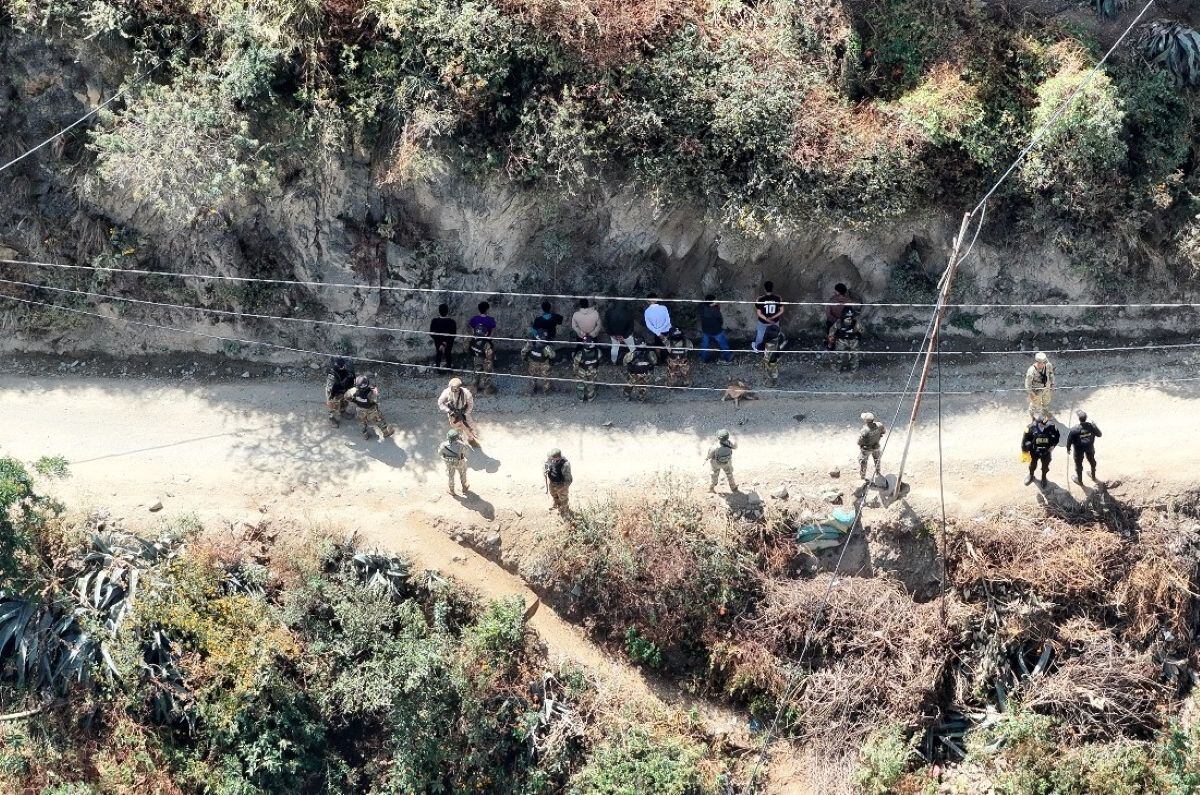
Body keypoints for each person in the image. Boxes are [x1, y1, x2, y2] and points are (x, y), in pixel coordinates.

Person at [346, 375, 394, 441]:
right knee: (379, 420)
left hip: (360, 410)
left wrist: (354, 401)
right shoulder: (371, 393)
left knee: (362, 422)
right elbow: (376, 400)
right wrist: (375, 390)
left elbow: (346, 396)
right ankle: (386, 433)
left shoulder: (353, 391)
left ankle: (364, 434)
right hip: (372, 410)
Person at [1022, 413, 1060, 486]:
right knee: (1032, 465)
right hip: (1034, 452)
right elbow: (1024, 440)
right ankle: (1031, 475)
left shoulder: (1051, 427)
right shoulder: (1030, 427)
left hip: (1046, 452)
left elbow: (1057, 437)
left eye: (1046, 424)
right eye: (1042, 425)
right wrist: (1024, 451)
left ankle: (1044, 478)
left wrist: (1053, 446)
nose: (1045, 426)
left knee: (1045, 467)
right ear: (1038, 423)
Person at [438, 377, 479, 446]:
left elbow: (470, 404)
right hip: (453, 414)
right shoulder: (446, 392)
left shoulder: (466, 393)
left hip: (463, 412)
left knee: (469, 427)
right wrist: (449, 411)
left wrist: (466, 413)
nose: (454, 391)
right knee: (456, 428)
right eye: (452, 389)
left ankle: (471, 439)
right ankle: (459, 438)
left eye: (456, 389)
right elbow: (440, 402)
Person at [1066, 409, 1103, 485]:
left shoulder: (1074, 429)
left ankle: (1080, 481)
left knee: (1078, 465)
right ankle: (1093, 476)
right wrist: (1095, 426)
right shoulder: (1091, 426)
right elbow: (1099, 434)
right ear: (1086, 418)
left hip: (1078, 450)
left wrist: (1068, 449)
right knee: (1092, 461)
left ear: (1079, 419)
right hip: (1090, 448)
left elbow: (1069, 440)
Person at [698, 295, 733, 364]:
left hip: (706, 329)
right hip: (716, 330)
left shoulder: (701, 307)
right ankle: (728, 356)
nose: (717, 300)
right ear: (712, 303)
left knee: (704, 344)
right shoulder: (715, 311)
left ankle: (703, 358)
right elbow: (720, 320)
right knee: (723, 343)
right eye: (715, 300)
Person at [520, 329, 556, 394]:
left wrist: (525, 359)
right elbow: (552, 356)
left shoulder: (532, 344)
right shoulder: (533, 344)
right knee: (539, 378)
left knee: (538, 377)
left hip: (538, 364)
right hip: (539, 364)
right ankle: (542, 390)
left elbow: (523, 352)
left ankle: (539, 390)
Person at [323, 357, 356, 426]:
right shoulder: (332, 375)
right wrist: (331, 397)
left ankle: (342, 411)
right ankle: (332, 418)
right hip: (334, 392)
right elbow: (331, 389)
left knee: (344, 402)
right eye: (343, 366)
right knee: (333, 406)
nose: (344, 367)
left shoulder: (344, 366)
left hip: (343, 389)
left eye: (344, 365)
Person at [753, 281, 784, 351]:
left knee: (760, 336)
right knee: (774, 336)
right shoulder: (778, 298)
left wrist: (767, 319)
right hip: (774, 321)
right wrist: (772, 318)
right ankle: (773, 349)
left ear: (764, 289)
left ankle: (757, 348)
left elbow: (759, 313)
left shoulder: (760, 299)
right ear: (772, 288)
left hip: (763, 322)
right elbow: (782, 311)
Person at [829, 307, 862, 372]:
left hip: (853, 340)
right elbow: (832, 330)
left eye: (851, 318)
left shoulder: (855, 323)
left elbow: (861, 330)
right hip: (841, 340)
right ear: (843, 317)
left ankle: (854, 369)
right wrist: (831, 338)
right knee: (839, 354)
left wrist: (858, 333)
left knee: (855, 355)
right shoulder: (839, 322)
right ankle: (837, 369)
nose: (849, 320)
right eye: (847, 318)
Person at [1024, 352, 1055, 421]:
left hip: (1046, 388)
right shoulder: (1031, 371)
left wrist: (1052, 383)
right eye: (1042, 363)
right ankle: (1032, 415)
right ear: (1037, 362)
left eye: (1045, 362)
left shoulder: (1048, 365)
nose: (1044, 364)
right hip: (1036, 391)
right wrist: (1031, 393)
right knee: (1034, 405)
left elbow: (1051, 374)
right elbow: (1027, 384)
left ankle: (1045, 412)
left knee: (1046, 402)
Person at [439, 429, 470, 496]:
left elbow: (440, 453)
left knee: (451, 476)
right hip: (459, 463)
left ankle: (452, 490)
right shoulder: (462, 445)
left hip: (449, 464)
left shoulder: (443, 445)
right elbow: (465, 452)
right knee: (463, 473)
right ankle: (464, 487)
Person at [572, 335, 603, 402]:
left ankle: (581, 397)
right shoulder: (598, 352)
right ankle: (590, 397)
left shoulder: (580, 354)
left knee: (580, 384)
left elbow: (575, 364)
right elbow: (600, 361)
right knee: (591, 384)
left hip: (582, 372)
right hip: (593, 371)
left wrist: (575, 372)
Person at [605, 300, 637, 364]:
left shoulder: (609, 312)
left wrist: (611, 334)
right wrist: (624, 336)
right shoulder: (628, 312)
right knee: (632, 347)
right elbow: (631, 327)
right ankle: (633, 360)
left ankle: (613, 361)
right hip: (626, 335)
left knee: (614, 348)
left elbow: (606, 324)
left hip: (614, 335)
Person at [544, 449, 573, 517]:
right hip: (552, 482)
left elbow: (569, 479)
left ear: (558, 457)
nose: (550, 459)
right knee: (553, 494)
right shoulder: (550, 458)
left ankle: (565, 511)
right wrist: (546, 470)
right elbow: (546, 464)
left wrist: (563, 487)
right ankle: (556, 504)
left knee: (563, 498)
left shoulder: (565, 464)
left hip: (561, 484)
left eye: (552, 458)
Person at [643, 293, 672, 361]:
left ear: (647, 301)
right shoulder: (664, 308)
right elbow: (668, 321)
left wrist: (658, 333)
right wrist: (661, 330)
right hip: (666, 331)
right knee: (668, 346)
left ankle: (659, 360)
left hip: (657, 333)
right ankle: (669, 360)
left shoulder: (647, 311)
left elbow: (648, 325)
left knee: (657, 346)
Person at [857, 412, 885, 481]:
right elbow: (883, 431)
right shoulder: (879, 425)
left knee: (863, 462)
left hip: (867, 449)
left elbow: (860, 442)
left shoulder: (864, 430)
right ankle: (878, 472)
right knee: (877, 460)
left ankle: (863, 475)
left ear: (866, 421)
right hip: (876, 446)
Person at [429, 303, 457, 369]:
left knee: (438, 354)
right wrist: (445, 343)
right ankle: (448, 368)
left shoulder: (434, 321)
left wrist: (441, 343)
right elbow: (453, 335)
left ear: (439, 311)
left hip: (438, 342)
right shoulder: (452, 322)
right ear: (447, 311)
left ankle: (438, 368)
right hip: (449, 342)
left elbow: (432, 333)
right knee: (448, 354)